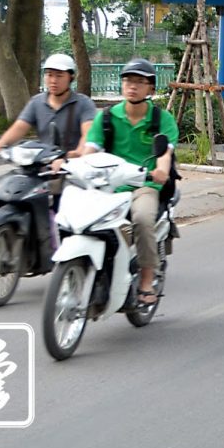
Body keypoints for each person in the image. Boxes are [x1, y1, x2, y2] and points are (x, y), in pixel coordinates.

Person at [82, 58, 178, 307]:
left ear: (151, 89)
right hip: (109, 187)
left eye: (139, 82)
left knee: (143, 219)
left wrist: (160, 170)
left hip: (144, 186)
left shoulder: (162, 119)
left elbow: (165, 153)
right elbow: (90, 150)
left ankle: (146, 280)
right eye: (127, 80)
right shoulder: (106, 118)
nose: (132, 86)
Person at [0, 53, 97, 157]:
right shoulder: (37, 102)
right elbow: (20, 127)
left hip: (73, 165)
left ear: (71, 77)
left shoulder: (84, 103)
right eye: (49, 75)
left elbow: (88, 132)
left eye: (59, 76)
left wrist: (79, 151)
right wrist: (0, 145)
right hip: (44, 161)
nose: (53, 81)